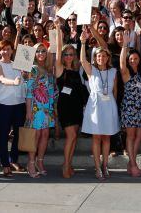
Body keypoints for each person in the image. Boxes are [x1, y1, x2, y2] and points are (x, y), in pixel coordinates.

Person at [79, 28, 120, 180]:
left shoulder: (113, 71)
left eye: (104, 55)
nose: (101, 58)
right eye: (98, 56)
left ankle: (105, 165)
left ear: (107, 57)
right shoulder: (92, 70)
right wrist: (83, 42)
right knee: (96, 137)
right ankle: (97, 168)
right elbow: (82, 60)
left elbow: (115, 91)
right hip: (95, 105)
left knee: (107, 137)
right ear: (95, 58)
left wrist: (113, 107)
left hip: (109, 104)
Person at [54, 24, 89, 178]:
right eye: (66, 54)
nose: (68, 57)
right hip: (65, 106)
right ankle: (65, 166)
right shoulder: (60, 68)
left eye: (71, 54)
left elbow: (83, 58)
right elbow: (58, 52)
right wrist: (59, 33)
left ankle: (68, 163)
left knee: (74, 134)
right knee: (71, 136)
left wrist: (82, 42)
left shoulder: (76, 70)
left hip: (76, 105)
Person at [0, 40, 26, 177]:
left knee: (18, 134)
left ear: (12, 51)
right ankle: (5, 164)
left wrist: (24, 75)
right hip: (3, 105)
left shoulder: (17, 65)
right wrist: (14, 82)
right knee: (3, 135)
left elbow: (24, 81)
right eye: (3, 49)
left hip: (19, 103)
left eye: (8, 49)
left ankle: (13, 159)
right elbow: (1, 79)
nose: (5, 51)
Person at [24, 43, 57, 178]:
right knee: (35, 136)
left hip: (47, 108)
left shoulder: (49, 70)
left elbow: (52, 91)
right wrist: (28, 111)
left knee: (45, 135)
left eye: (43, 51)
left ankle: (40, 162)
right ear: (34, 54)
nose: (41, 53)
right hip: (36, 108)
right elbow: (29, 92)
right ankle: (30, 164)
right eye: (38, 51)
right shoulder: (33, 69)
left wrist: (53, 108)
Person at [119, 31, 141, 177]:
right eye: (131, 58)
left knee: (140, 135)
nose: (133, 61)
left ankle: (131, 163)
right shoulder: (126, 73)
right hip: (129, 108)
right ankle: (133, 165)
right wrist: (125, 45)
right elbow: (121, 63)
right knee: (130, 136)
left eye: (136, 58)